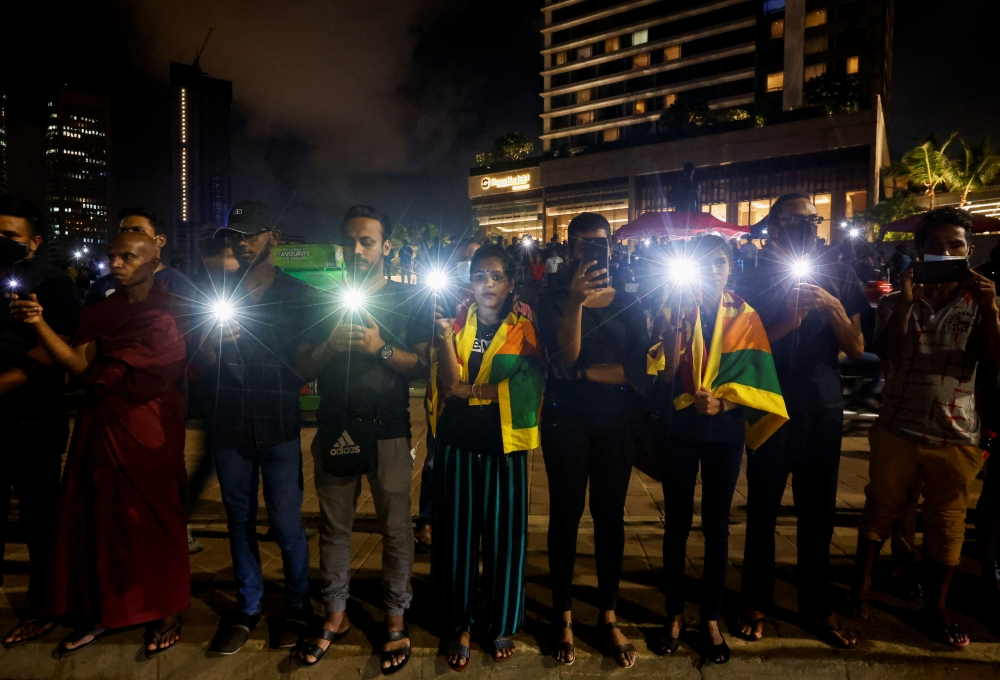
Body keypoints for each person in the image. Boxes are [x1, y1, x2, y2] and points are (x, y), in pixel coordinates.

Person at [9, 232, 189, 656]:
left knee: (156, 518)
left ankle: (165, 607)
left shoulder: (174, 309)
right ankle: (105, 609)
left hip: (150, 427)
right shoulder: (102, 310)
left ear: (153, 261)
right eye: (113, 256)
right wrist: (37, 324)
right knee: (100, 517)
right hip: (101, 421)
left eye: (129, 256)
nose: (118, 263)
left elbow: (182, 362)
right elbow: (77, 364)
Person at [851, 207, 1000, 648]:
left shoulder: (982, 301)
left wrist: (991, 308)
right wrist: (907, 302)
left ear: (970, 251)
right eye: (935, 247)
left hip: (956, 432)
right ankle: (859, 590)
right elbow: (886, 352)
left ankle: (935, 607)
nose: (946, 253)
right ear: (919, 253)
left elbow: (992, 360)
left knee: (948, 522)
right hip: (898, 425)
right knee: (880, 508)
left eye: (955, 246)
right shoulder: (898, 301)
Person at [293, 205, 431, 673]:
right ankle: (337, 614)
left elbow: (424, 365)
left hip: (390, 429)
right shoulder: (320, 300)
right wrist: (332, 343)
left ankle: (395, 616)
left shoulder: (407, 300)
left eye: (367, 241)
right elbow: (301, 369)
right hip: (334, 428)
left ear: (385, 246)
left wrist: (381, 349)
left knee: (396, 529)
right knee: (334, 528)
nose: (357, 250)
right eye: (349, 241)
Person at [734, 193, 867, 648]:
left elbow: (854, 347)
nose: (804, 228)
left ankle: (816, 605)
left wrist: (831, 307)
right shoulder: (749, 279)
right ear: (772, 226)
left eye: (812, 220)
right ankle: (755, 599)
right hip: (771, 407)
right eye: (793, 221)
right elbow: (741, 352)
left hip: (822, 408)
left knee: (818, 514)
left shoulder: (841, 275)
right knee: (763, 510)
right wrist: (790, 320)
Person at [647, 235, 787, 664]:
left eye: (719, 263)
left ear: (731, 268)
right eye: (703, 262)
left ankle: (710, 616)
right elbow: (663, 374)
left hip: (724, 432)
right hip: (680, 428)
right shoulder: (672, 309)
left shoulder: (745, 314)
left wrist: (723, 402)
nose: (711, 270)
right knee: (675, 524)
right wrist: (671, 324)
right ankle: (674, 613)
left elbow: (758, 376)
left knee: (718, 527)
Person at [198, 201, 314, 655]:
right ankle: (248, 607)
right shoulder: (219, 293)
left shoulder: (297, 293)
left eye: (249, 234)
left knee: (286, 523)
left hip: (279, 419)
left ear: (273, 237)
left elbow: (306, 362)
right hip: (229, 422)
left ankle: (297, 607)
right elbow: (203, 362)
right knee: (238, 519)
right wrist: (210, 345)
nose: (240, 243)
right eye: (233, 236)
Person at [536, 212, 650, 668]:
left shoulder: (629, 300)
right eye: (581, 245)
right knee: (564, 515)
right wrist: (575, 303)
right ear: (569, 250)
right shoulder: (551, 297)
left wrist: (583, 375)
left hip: (614, 423)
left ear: (612, 247)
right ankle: (562, 614)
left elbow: (640, 368)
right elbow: (565, 354)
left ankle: (607, 612)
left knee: (610, 519)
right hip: (566, 421)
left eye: (598, 244)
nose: (590, 252)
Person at [428, 244, 544, 671]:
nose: (488, 284)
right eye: (479, 276)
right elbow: (447, 379)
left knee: (504, 537)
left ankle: (498, 622)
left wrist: (472, 392)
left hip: (504, 446)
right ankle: (459, 623)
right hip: (458, 441)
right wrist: (442, 337)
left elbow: (530, 385)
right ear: (470, 282)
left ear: (510, 283)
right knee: (456, 536)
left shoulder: (524, 330)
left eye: (496, 276)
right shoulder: (457, 324)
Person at [0, 196, 81, 647]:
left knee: (39, 519)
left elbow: (60, 348)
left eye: (10, 235)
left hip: (34, 420)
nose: (2, 243)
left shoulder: (53, 282)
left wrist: (5, 384)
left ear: (33, 241)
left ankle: (45, 605)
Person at [85, 207, 197, 305]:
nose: (128, 237)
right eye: (123, 231)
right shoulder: (102, 285)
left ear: (160, 241)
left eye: (138, 231)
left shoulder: (181, 285)